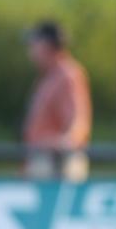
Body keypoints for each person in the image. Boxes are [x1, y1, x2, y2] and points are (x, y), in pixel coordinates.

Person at [23, 21, 92, 181]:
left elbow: (77, 123)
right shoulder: (48, 76)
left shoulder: (68, 75)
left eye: (34, 44)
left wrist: (62, 146)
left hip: (56, 164)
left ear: (46, 45)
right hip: (41, 159)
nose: (30, 50)